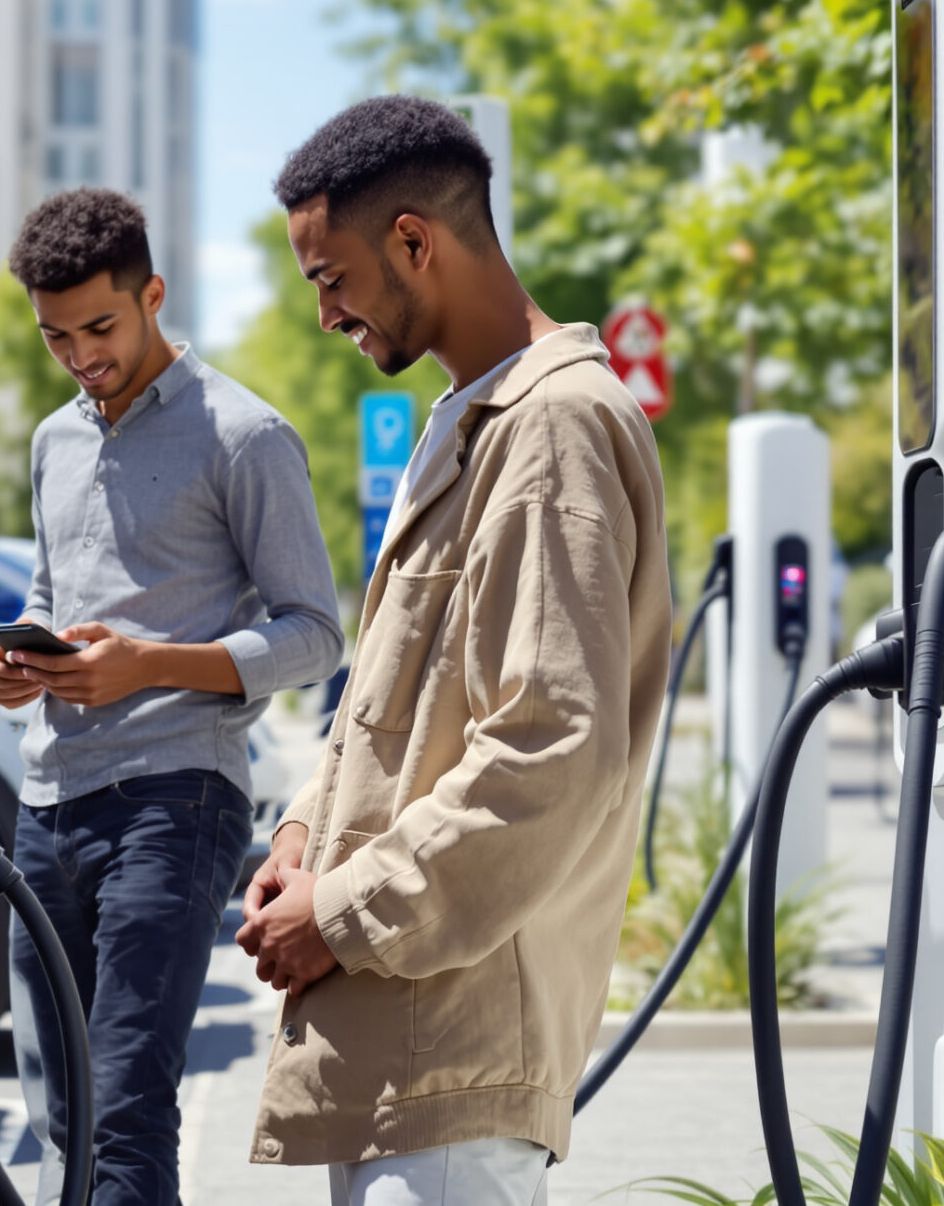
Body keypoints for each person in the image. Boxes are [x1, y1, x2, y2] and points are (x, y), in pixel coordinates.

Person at [232, 96, 671, 1204]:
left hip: (457, 1060)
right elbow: (394, 701)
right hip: (413, 1046)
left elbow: (549, 750)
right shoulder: (476, 420)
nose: (324, 315)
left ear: (413, 241)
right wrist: (302, 834)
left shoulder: (552, 426)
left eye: (331, 278)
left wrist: (341, 913)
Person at [0, 187, 344, 1206]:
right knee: (60, 1113)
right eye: (56, 336)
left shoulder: (244, 435)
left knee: (124, 1109)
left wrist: (151, 664)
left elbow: (314, 634)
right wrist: (19, 664)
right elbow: (50, 598)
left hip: (174, 800)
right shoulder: (53, 441)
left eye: (99, 327)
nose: (79, 355)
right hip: (47, 802)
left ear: (152, 295)